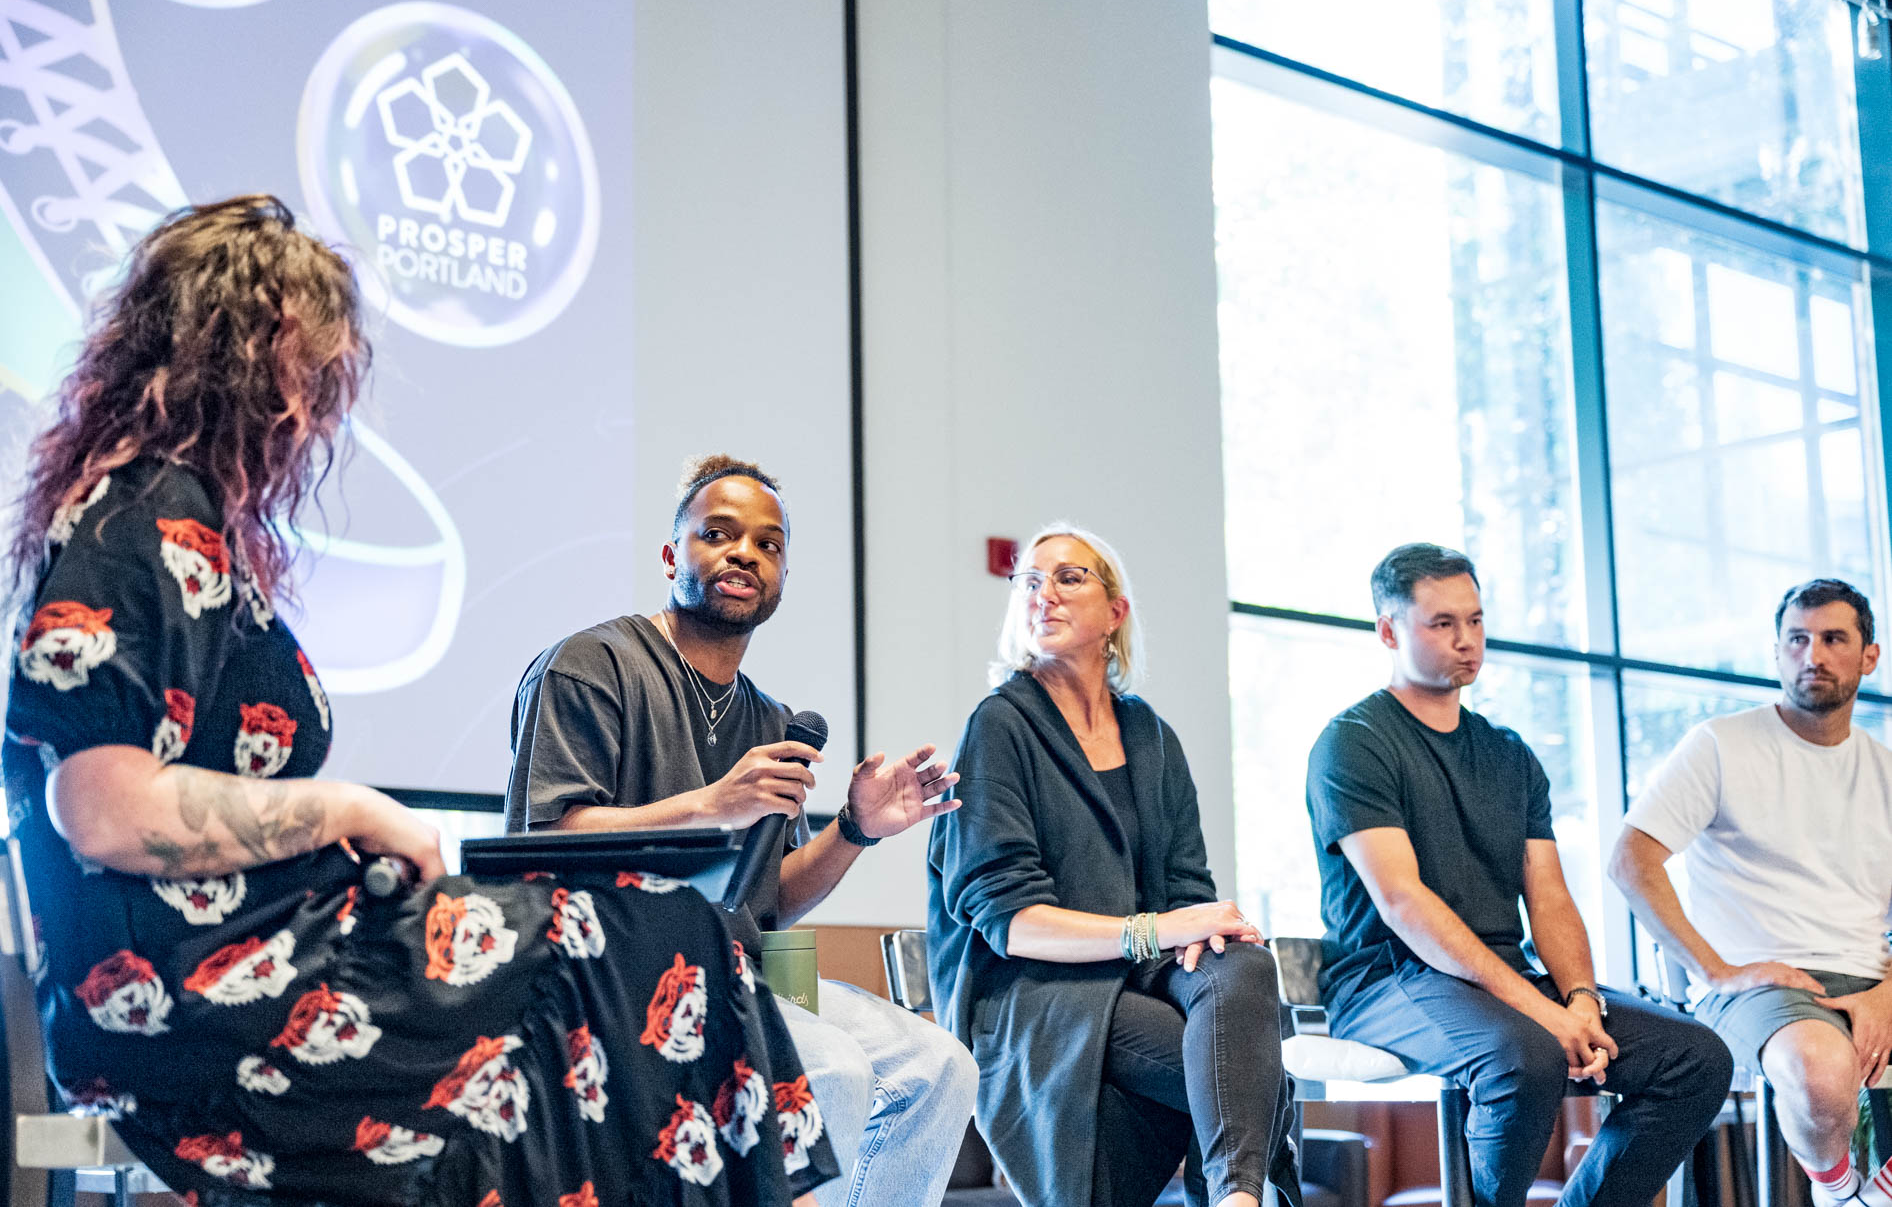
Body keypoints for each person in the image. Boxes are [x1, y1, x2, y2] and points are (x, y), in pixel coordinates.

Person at [2, 196, 834, 1206]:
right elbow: (101, 805)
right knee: (646, 945)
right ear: (249, 345)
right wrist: (350, 808)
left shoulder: (184, 519)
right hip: (192, 990)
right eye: (315, 364)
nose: (325, 399)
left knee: (624, 986)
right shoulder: (144, 513)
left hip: (258, 953)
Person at [504, 453, 978, 1207]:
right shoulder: (587, 666)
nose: (744, 554)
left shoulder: (767, 717)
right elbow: (543, 846)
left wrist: (855, 828)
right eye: (718, 533)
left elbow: (767, 905)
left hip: (741, 972)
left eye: (768, 543)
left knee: (940, 1067)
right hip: (614, 975)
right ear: (670, 556)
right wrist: (711, 804)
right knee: (834, 1067)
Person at [1306, 542, 1732, 1207]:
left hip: (1501, 982)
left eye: (1475, 620)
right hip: (1388, 982)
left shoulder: (1510, 755)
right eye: (1442, 623)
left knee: (1697, 1058)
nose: (1466, 639)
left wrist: (1581, 997)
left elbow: (1551, 897)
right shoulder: (1355, 741)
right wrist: (1542, 1011)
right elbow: (1403, 900)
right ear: (1388, 630)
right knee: (1525, 1056)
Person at [928, 523, 1298, 1207]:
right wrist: (1151, 930)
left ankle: (1235, 1199)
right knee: (1241, 1066)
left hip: (1145, 978)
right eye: (1029, 581)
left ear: (1116, 612)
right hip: (1035, 993)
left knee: (1247, 965)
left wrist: (1195, 928)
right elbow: (1011, 923)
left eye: (1069, 577)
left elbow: (1191, 894)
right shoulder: (999, 726)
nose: (1044, 594)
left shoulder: (1153, 736)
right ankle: (1243, 1194)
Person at [1611, 578, 1892, 1207]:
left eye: (1832, 639)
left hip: (1872, 980)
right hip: (1762, 989)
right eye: (1796, 639)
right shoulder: (1721, 744)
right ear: (1777, 653)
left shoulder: (1886, 771)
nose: (1811, 655)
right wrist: (1717, 969)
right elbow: (1632, 860)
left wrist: (1888, 995)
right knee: (1820, 1068)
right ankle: (1844, 1192)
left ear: (1868, 657)